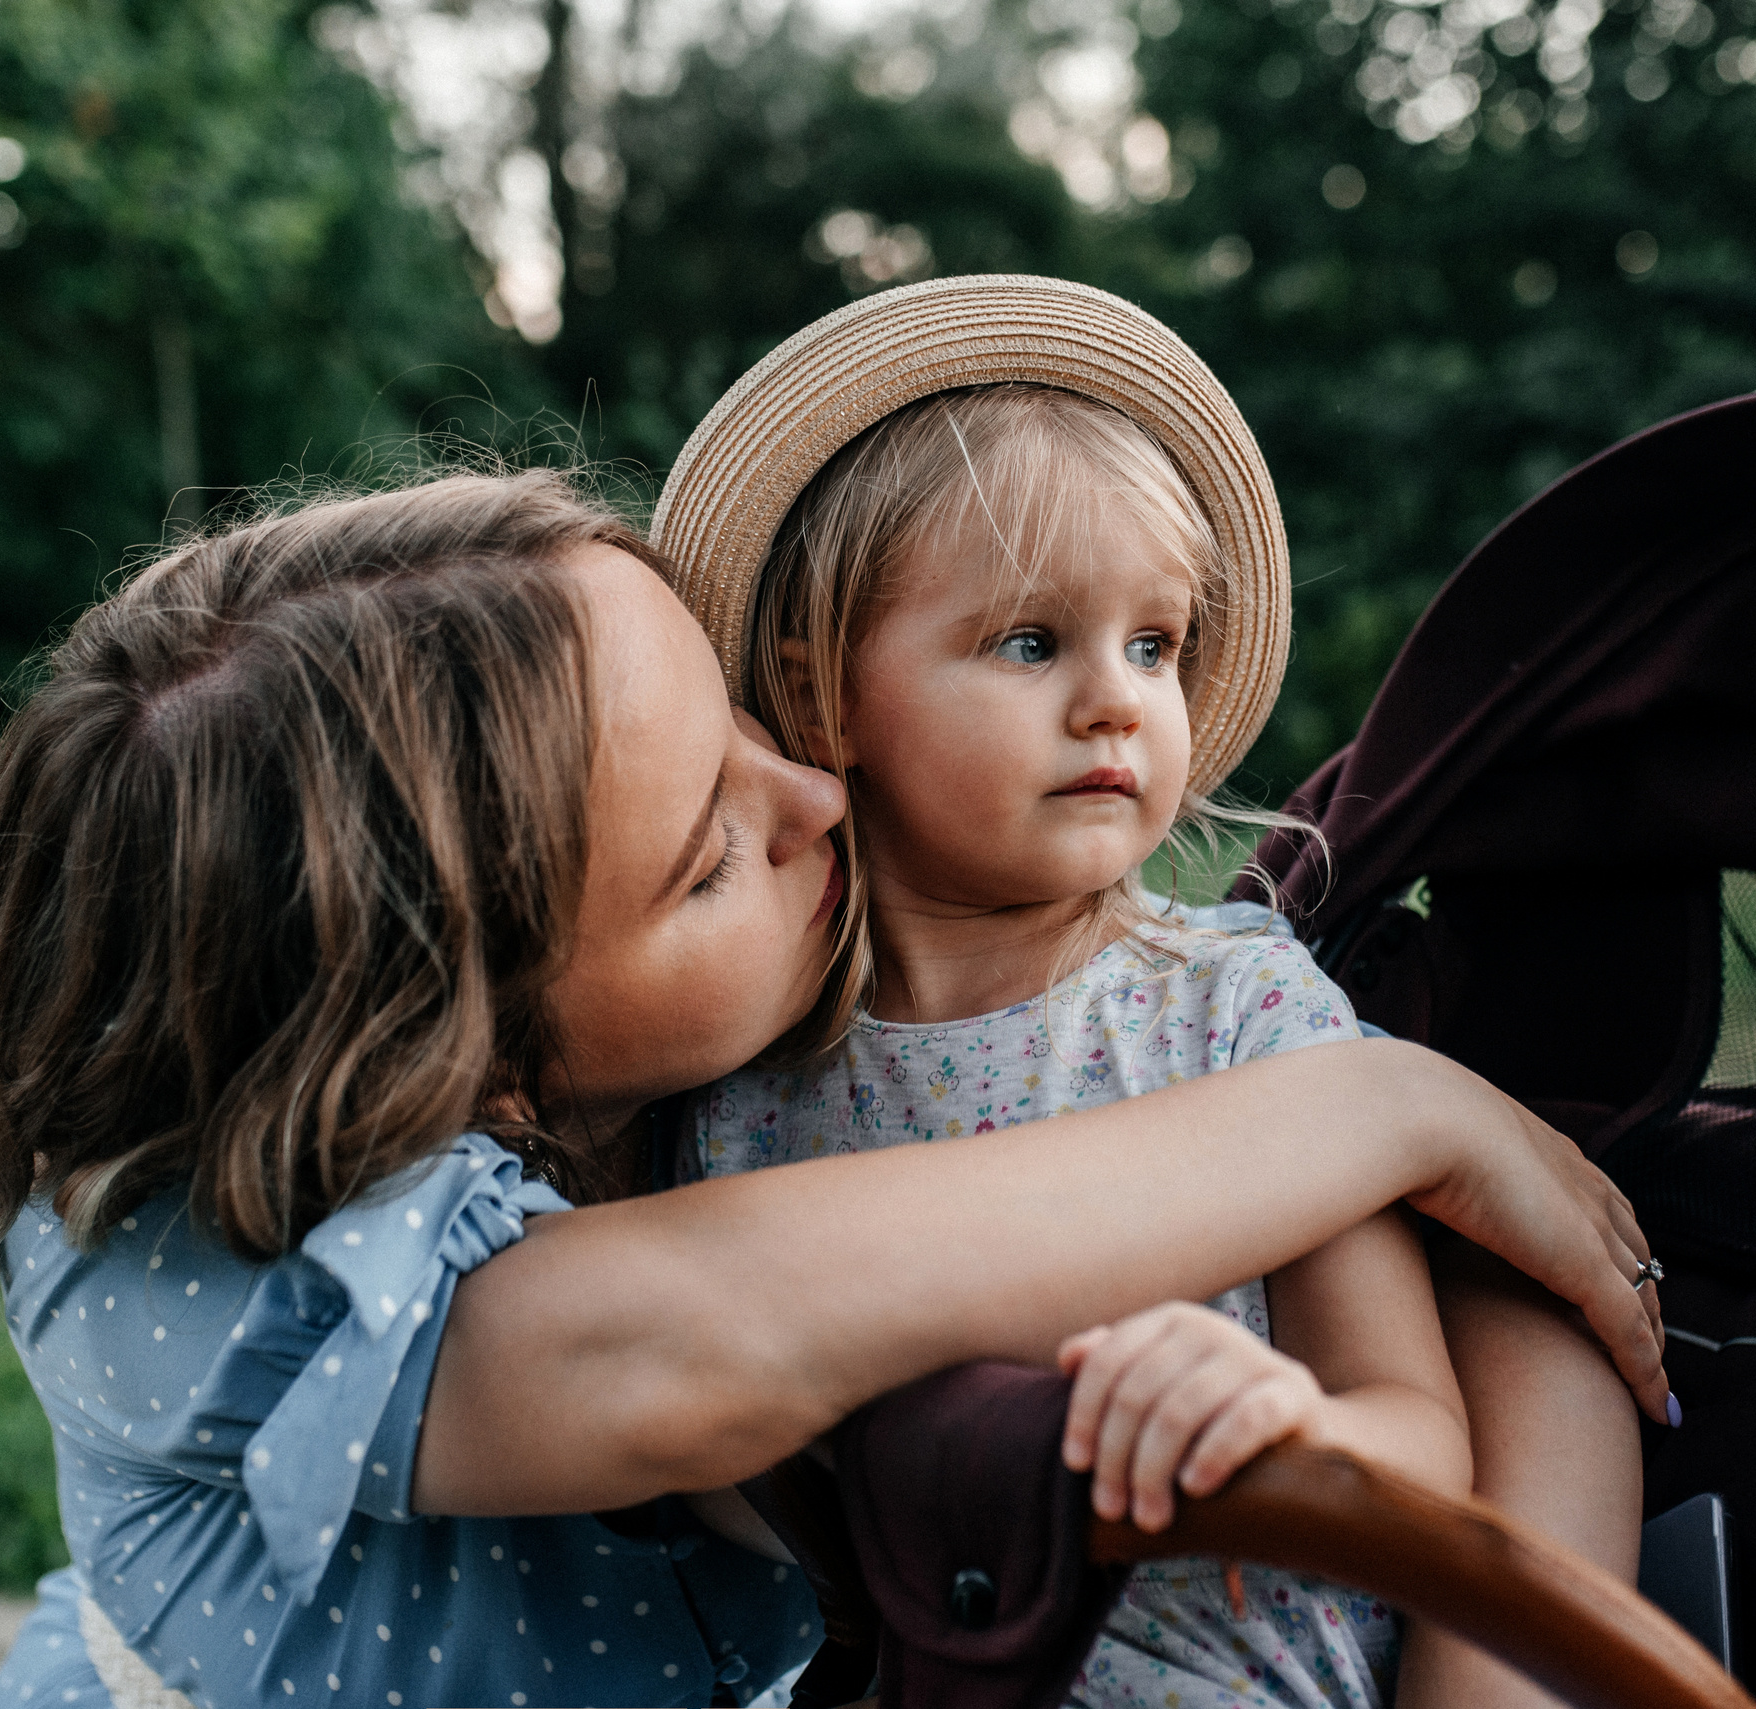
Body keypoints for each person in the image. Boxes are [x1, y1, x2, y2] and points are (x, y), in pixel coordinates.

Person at [0, 467, 1665, 1709]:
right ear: (479, 1059)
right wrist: (1385, 1107)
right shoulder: (195, 1262)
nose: (815, 795)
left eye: (749, 720)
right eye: (706, 856)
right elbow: (711, 1326)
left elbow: (1517, 1345)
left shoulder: (753, 1067)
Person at [655, 274, 1662, 1709]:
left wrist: (1274, 1425)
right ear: (820, 699)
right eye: (1028, 641)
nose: (1117, 698)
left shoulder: (1236, 1017)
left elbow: (1422, 1433)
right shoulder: (751, 1077)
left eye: (1155, 643)